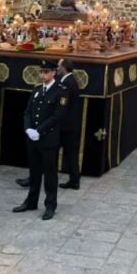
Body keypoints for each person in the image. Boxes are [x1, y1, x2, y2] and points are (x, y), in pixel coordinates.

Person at [13, 60, 67, 220]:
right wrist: (28, 129)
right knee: (34, 172)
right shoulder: (36, 89)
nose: (43, 75)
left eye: (46, 72)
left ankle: (50, 205)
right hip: (33, 138)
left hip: (48, 138)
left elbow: (58, 115)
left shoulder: (61, 91)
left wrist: (39, 130)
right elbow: (28, 112)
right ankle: (31, 201)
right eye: (41, 72)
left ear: (53, 72)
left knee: (50, 174)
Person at [57, 59, 82, 190]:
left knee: (69, 154)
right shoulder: (71, 80)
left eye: (59, 66)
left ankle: (74, 180)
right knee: (72, 154)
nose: (57, 68)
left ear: (64, 68)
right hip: (71, 124)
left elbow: (63, 104)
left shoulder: (67, 83)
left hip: (66, 126)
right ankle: (74, 180)